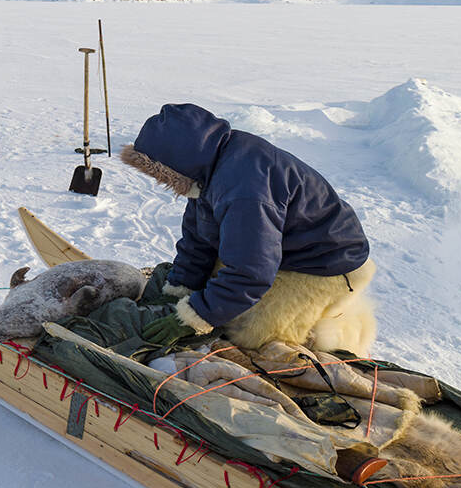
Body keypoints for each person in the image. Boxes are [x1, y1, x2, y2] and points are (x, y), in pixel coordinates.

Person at [120, 103, 376, 356]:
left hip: (326, 264)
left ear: (178, 159)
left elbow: (250, 272)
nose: (161, 181)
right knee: (217, 295)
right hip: (281, 249)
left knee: (253, 335)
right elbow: (197, 241)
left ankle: (332, 325)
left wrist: (190, 319)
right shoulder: (210, 167)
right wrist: (179, 289)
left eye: (162, 173)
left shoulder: (245, 189)